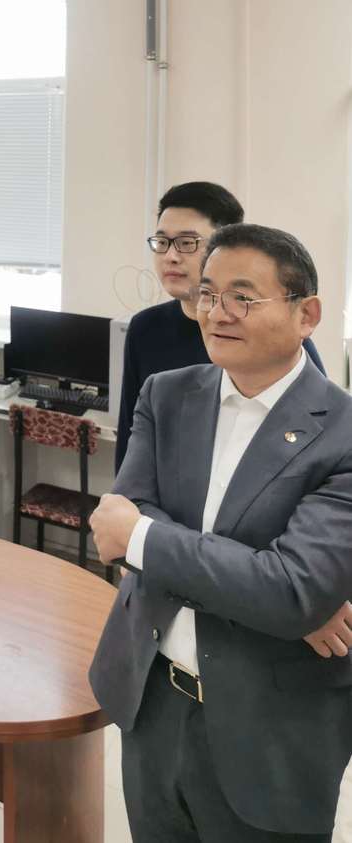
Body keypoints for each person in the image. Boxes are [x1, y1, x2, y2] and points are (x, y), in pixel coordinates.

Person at [88, 223, 352, 841]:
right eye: (209, 294)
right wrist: (260, 587)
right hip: (152, 700)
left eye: (243, 296)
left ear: (307, 314)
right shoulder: (166, 395)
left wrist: (146, 538)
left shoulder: (341, 431)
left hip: (271, 729)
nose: (217, 312)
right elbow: (118, 526)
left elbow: (291, 591)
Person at [115, 181, 325, 472]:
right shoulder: (145, 328)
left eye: (187, 243)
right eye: (162, 242)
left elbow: (315, 438)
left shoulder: (273, 340)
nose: (170, 256)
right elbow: (130, 435)